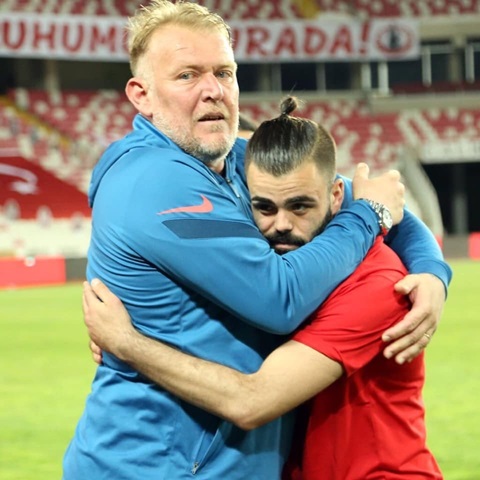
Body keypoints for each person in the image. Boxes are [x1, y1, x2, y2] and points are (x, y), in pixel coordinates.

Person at [63, 1, 451, 479]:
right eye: (187, 75)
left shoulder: (239, 160)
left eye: (224, 73)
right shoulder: (155, 181)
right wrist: (369, 216)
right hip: (153, 466)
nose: (212, 90)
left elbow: (382, 202)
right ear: (141, 95)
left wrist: (432, 272)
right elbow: (279, 297)